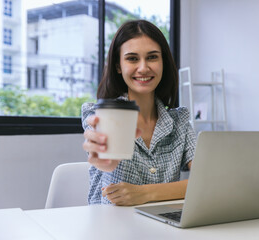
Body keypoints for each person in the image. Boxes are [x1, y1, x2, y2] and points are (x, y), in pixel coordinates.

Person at [81, 20, 196, 206]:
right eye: (132, 58)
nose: (143, 68)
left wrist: (145, 193)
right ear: (118, 66)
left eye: (152, 57)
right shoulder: (102, 114)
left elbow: (206, 182)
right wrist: (105, 161)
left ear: (163, 63)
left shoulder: (179, 121)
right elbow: (107, 166)